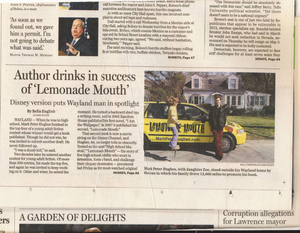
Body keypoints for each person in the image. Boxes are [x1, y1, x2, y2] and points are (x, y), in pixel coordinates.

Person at [209, 95, 226, 161]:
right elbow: (210, 118)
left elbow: (224, 118)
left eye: (218, 100)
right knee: (217, 141)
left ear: (220, 101)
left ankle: (217, 153)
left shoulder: (223, 109)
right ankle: (220, 154)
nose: (217, 102)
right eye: (216, 101)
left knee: (220, 141)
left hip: (221, 127)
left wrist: (223, 125)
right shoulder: (212, 109)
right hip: (214, 127)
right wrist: (212, 125)